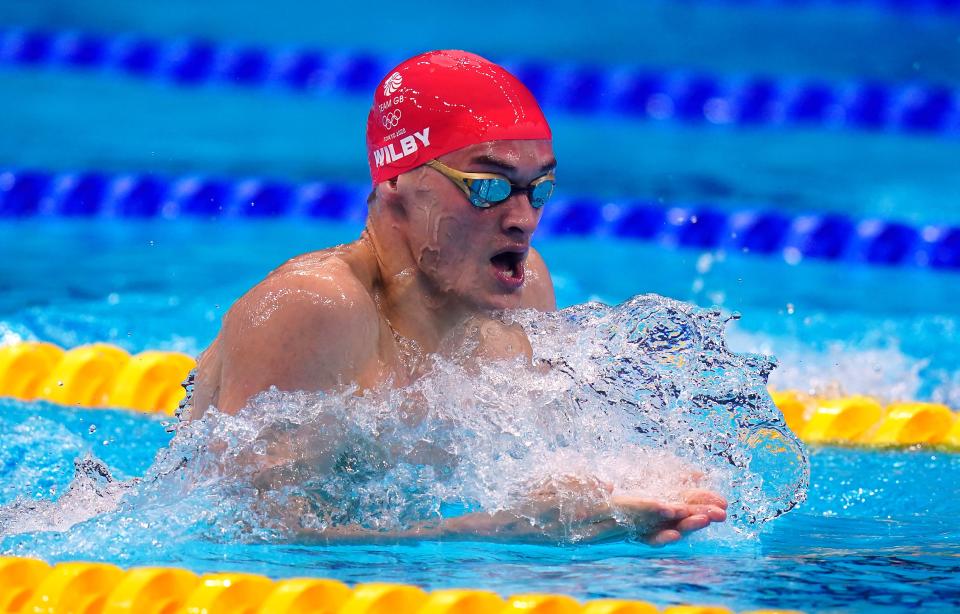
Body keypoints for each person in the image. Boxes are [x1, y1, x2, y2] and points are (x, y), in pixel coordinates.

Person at [187, 50, 727, 546]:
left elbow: (534, 461)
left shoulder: (522, 289)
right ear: (398, 177)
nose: (523, 220)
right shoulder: (317, 308)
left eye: (539, 188)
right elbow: (252, 535)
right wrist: (501, 531)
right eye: (487, 187)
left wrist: (626, 492)